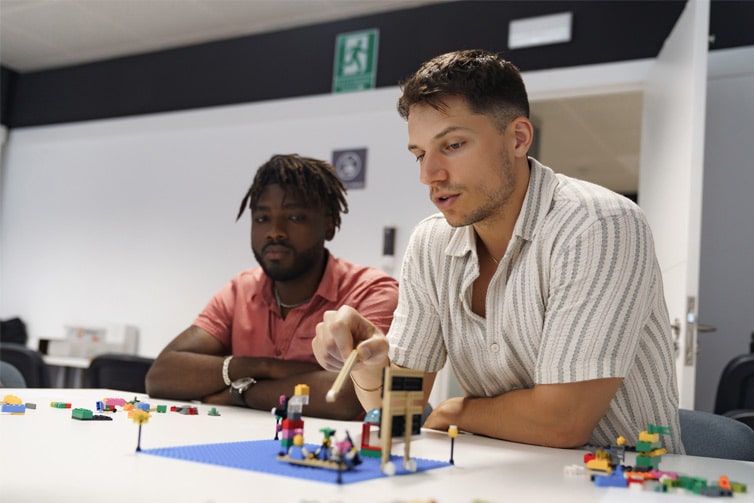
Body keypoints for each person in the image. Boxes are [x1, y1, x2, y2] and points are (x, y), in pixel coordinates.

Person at [312, 49, 683, 452]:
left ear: (518, 138)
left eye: (452, 145)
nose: (428, 175)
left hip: (624, 481)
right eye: (420, 154)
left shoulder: (597, 225)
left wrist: (454, 412)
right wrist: (369, 366)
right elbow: (401, 413)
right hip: (497, 477)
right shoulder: (430, 244)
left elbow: (563, 423)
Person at [146, 154, 399, 420]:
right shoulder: (241, 290)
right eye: (262, 218)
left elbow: (346, 397)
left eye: (294, 217)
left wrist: (240, 393)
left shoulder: (372, 292)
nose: (274, 231)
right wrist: (264, 367)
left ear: (328, 225)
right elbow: (162, 375)